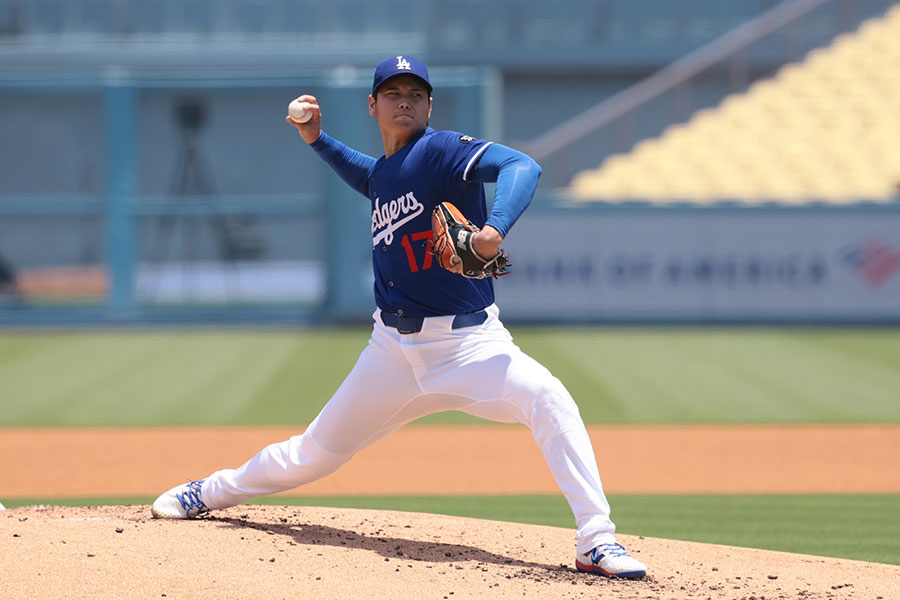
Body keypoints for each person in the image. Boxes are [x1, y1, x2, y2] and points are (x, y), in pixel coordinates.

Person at [151, 55, 647, 580]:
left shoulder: (440, 151)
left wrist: (494, 228)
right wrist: (317, 140)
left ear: (430, 105)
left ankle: (596, 540)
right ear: (373, 105)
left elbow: (522, 166)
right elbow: (370, 177)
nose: (404, 101)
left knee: (548, 397)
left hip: (469, 348)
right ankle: (209, 491)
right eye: (393, 93)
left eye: (415, 93)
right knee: (311, 455)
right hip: (390, 352)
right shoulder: (387, 172)